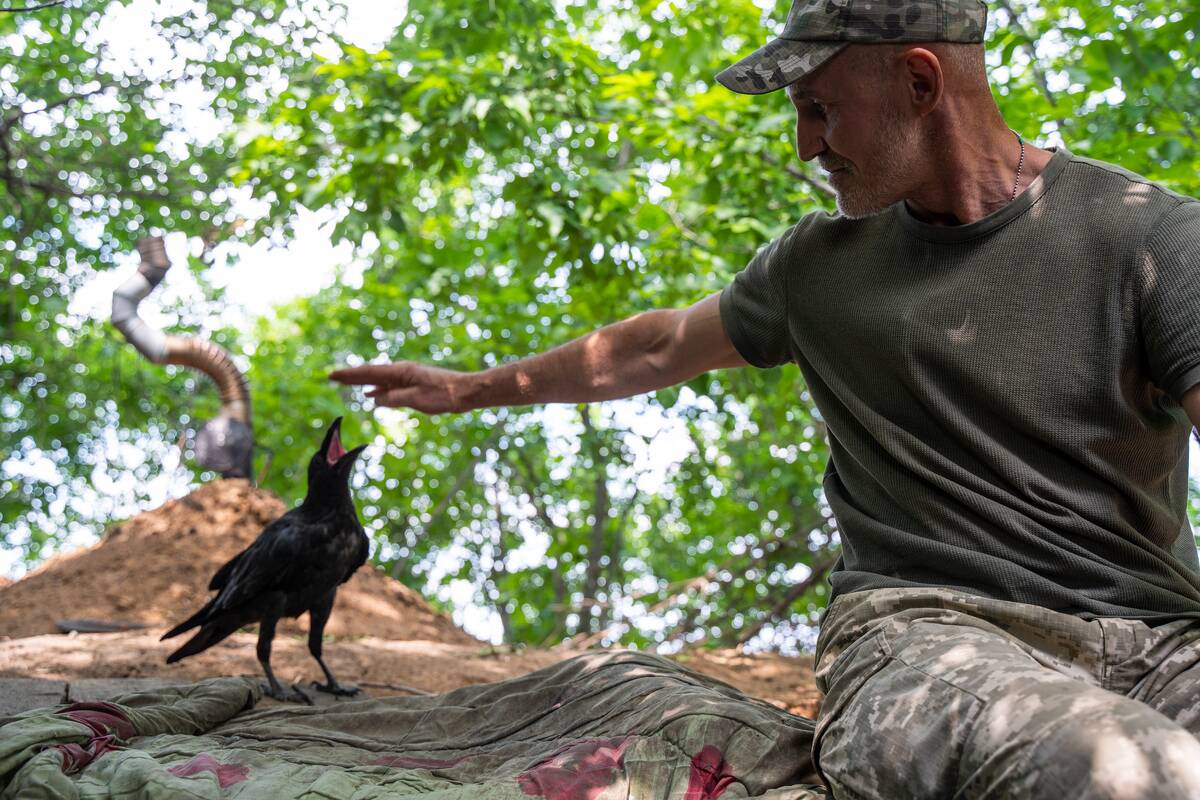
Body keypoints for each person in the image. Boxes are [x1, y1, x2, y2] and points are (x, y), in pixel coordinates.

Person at [331, 0, 1200, 795]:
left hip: (1164, 640)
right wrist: (469, 390)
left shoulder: (1145, 235)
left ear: (921, 80)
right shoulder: (815, 270)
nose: (805, 146)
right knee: (1131, 774)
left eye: (820, 108)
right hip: (931, 640)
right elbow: (657, 345)